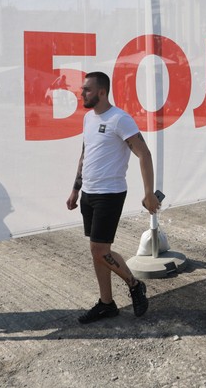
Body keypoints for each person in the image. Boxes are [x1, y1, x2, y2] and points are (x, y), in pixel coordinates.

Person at [66, 71, 160, 324]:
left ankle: (134, 284)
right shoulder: (88, 118)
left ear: (102, 92)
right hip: (89, 193)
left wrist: (149, 193)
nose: (82, 93)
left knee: (99, 249)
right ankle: (106, 303)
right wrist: (76, 188)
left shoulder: (120, 119)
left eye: (87, 89)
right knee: (97, 250)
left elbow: (144, 154)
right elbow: (85, 154)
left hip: (110, 194)